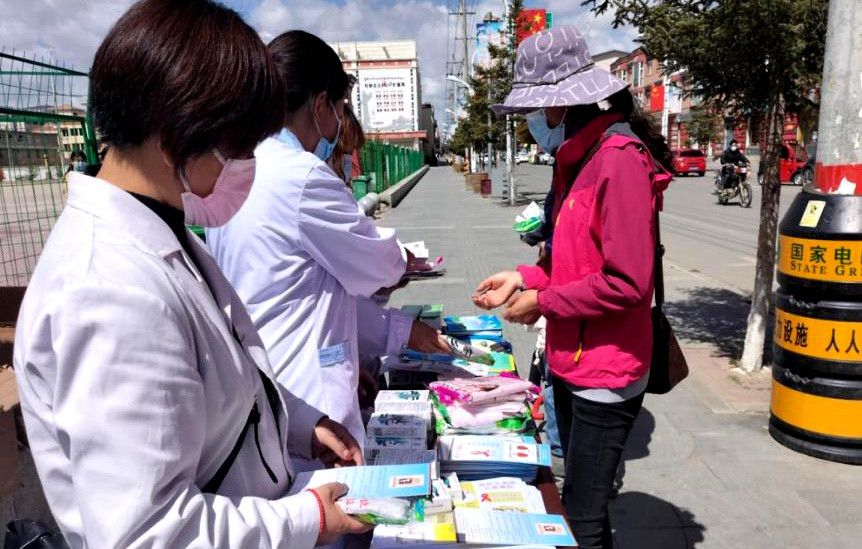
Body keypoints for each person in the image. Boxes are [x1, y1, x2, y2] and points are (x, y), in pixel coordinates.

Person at [13, 2, 369, 547]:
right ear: (177, 134)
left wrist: (301, 422)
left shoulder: (163, 230)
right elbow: (147, 533)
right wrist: (308, 520)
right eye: (241, 146)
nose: (248, 164)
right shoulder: (109, 291)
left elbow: (221, 387)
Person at [206, 30, 447, 470]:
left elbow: (303, 287)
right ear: (320, 104)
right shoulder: (300, 176)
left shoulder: (238, 168)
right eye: (338, 108)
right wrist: (400, 261)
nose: (337, 126)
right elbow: (378, 265)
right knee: (329, 500)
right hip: (306, 396)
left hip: (264, 384)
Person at [473, 25, 673, 549]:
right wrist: (525, 277)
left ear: (562, 103)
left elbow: (627, 282)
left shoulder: (618, 160)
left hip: (607, 370)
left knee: (580, 521)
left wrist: (542, 301)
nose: (535, 120)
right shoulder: (575, 160)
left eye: (538, 108)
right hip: (570, 360)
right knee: (579, 508)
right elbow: (573, 263)